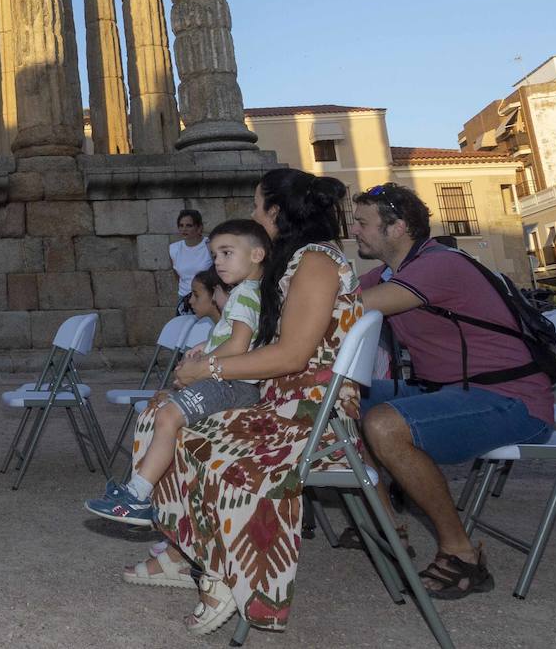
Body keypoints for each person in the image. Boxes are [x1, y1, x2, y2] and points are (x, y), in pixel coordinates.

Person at [120, 168, 360, 636]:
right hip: (280, 397)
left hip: (310, 411)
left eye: (256, 206)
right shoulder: (291, 263)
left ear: (276, 212)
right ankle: (186, 549)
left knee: (200, 440)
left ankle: (226, 567)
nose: (252, 214)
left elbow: (293, 354)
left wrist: (208, 370)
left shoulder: (316, 262)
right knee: (163, 418)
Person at [353, 182, 555, 598]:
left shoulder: (439, 264)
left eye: (362, 223)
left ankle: (463, 554)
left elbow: (346, 308)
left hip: (514, 401)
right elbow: (337, 300)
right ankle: (389, 525)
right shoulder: (387, 273)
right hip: (453, 393)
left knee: (385, 425)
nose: (354, 230)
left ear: (398, 227)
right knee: (348, 401)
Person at [87, 219, 269, 526]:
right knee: (169, 415)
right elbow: (239, 336)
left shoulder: (245, 294)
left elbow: (238, 345)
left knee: (168, 416)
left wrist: (202, 364)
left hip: (231, 384)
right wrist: (205, 343)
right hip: (231, 382)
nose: (219, 262)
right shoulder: (249, 292)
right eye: (215, 256)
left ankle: (138, 495)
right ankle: (142, 492)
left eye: (227, 253)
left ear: (256, 255)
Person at [169, 209, 213, 314]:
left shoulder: (209, 245)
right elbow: (178, 275)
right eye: (181, 225)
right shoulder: (173, 249)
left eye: (189, 225)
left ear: (199, 227)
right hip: (184, 298)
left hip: (206, 297)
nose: (184, 229)